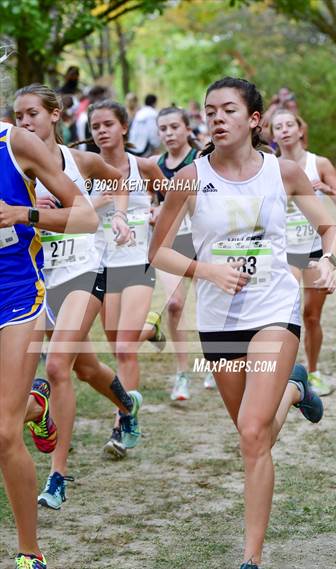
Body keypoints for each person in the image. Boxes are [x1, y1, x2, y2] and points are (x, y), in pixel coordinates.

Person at [149, 77, 336, 569]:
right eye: (209, 110)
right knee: (249, 430)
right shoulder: (190, 179)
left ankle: (251, 560)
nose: (216, 118)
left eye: (228, 110)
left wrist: (329, 261)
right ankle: (295, 391)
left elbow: (329, 226)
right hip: (218, 319)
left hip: (275, 310)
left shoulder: (284, 172)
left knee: (254, 434)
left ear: (254, 119)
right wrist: (205, 269)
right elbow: (159, 252)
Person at [14, 84, 142, 509]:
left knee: (56, 366)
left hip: (84, 268)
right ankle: (126, 405)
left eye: (32, 113)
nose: (24, 122)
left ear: (55, 114)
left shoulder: (79, 160)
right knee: (84, 367)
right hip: (38, 278)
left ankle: (58, 477)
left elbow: (120, 179)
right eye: (18, 116)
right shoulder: (15, 166)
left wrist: (118, 213)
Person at [0, 118, 97, 569]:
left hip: (17, 295)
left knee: (3, 433)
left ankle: (29, 551)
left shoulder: (15, 141)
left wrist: (25, 214)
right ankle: (37, 409)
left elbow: (86, 216)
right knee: (13, 414)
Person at [88, 99, 167, 458]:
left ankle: (123, 422)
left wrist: (157, 211)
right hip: (103, 264)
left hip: (137, 262)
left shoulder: (144, 166)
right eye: (95, 126)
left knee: (122, 348)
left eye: (107, 124)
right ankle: (151, 328)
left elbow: (175, 198)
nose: (101, 131)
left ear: (123, 127)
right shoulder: (85, 169)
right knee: (117, 341)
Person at [271, 108, 336, 395]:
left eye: (289, 124)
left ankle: (314, 372)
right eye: (278, 126)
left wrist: (328, 189)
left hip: (315, 249)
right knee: (287, 310)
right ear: (272, 134)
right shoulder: (269, 166)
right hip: (285, 251)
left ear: (300, 129)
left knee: (311, 316)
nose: (284, 130)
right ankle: (285, 374)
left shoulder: (320, 163)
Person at [151, 106, 215, 398]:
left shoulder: (203, 160)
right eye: (163, 129)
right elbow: (146, 201)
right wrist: (154, 211)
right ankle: (181, 374)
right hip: (169, 243)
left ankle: (214, 363)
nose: (169, 133)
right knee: (175, 304)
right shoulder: (154, 164)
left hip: (202, 242)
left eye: (174, 127)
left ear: (187, 128)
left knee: (209, 308)